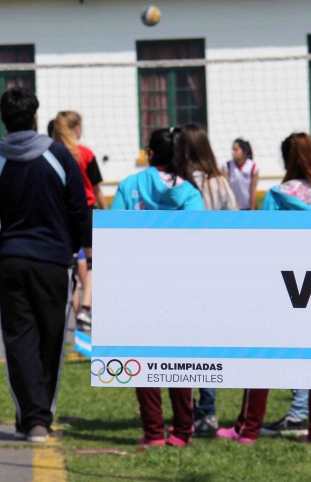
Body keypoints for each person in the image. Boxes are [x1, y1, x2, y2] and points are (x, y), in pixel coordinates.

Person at [0, 88, 88, 444]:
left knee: (19, 338)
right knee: (50, 339)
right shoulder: (60, 157)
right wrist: (76, 247)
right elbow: (79, 209)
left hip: (13, 261)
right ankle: (40, 419)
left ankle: (32, 419)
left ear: (3, 121)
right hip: (53, 261)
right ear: (36, 117)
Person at [224, 133, 311, 444]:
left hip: (284, 285)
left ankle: (248, 430)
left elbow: (262, 242)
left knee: (262, 357)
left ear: (286, 159)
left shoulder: (276, 196)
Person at [111, 128, 203, 449]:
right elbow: (199, 241)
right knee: (180, 360)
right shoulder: (190, 193)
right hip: (180, 285)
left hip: (139, 283)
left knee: (143, 358)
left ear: (150, 153)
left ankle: (153, 433)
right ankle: (182, 432)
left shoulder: (130, 185)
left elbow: (114, 237)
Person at [173, 123, 235, 436]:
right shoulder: (221, 183)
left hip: (187, 272)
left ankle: (193, 410)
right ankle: (207, 410)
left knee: (185, 344)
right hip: (216, 271)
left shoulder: (178, 183)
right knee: (208, 345)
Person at [50, 111, 105, 333]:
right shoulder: (85, 154)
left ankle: (72, 311)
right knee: (93, 263)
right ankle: (86, 306)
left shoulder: (53, 154)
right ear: (75, 128)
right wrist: (106, 210)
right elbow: (96, 188)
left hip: (62, 213)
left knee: (70, 264)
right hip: (86, 210)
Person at [224, 138, 259, 210]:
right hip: (233, 208)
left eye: (236, 150)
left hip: (247, 207)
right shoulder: (227, 166)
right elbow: (225, 190)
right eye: (232, 150)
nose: (233, 152)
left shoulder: (252, 167)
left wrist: (252, 210)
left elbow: (253, 191)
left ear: (244, 152)